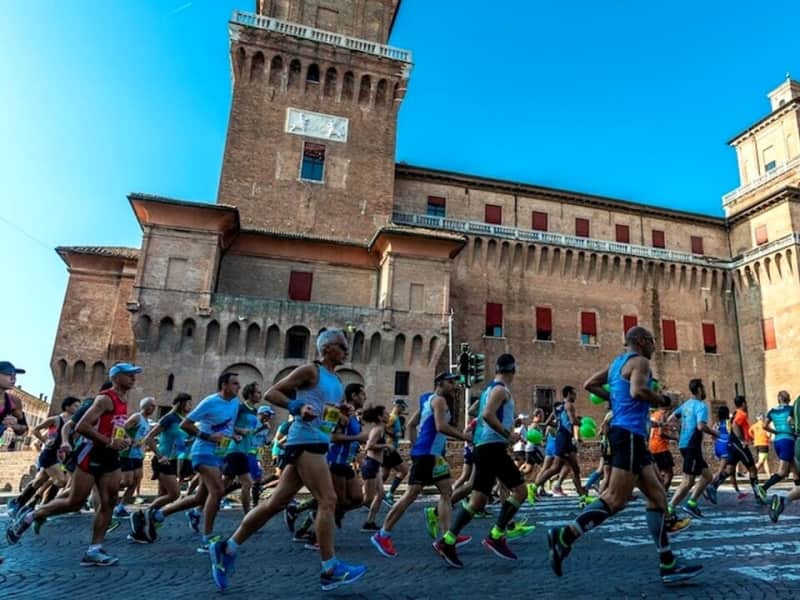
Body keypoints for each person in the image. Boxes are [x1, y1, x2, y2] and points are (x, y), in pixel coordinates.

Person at [209, 329, 366, 592]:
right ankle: (330, 569)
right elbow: (273, 393)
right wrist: (297, 407)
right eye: (342, 345)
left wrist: (342, 411)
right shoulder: (310, 371)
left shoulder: (337, 381)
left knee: (275, 503)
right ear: (327, 348)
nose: (346, 350)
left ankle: (227, 548)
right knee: (328, 499)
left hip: (318, 442)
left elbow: (327, 413)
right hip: (304, 440)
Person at [546, 326, 698, 585]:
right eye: (652, 341)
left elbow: (590, 384)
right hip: (628, 435)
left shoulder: (617, 364)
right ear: (641, 341)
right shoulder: (640, 362)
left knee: (658, 497)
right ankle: (565, 536)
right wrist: (661, 399)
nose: (654, 346)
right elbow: (637, 391)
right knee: (615, 499)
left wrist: (615, 399)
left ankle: (668, 564)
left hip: (630, 437)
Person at [7, 363, 142, 566]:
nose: (133, 378)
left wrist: (124, 440)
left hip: (111, 457)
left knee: (109, 502)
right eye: (129, 374)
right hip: (92, 454)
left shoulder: (123, 400)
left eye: (134, 375)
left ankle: (94, 550)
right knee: (75, 502)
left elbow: (113, 426)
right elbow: (81, 426)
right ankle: (31, 515)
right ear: (116, 377)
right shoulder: (105, 399)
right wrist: (107, 441)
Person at [437, 353, 535, 566]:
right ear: (513, 370)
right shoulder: (500, 390)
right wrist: (508, 434)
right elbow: (488, 415)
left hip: (484, 447)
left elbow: (483, 414)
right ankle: (496, 535)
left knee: (478, 500)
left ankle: (448, 540)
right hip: (492, 447)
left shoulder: (489, 390)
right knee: (520, 491)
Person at [131, 372, 241, 551]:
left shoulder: (235, 402)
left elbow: (227, 425)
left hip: (220, 453)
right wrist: (208, 436)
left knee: (200, 497)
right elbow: (186, 425)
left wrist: (234, 434)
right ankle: (207, 539)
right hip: (203, 452)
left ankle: (158, 515)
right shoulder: (210, 402)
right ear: (224, 385)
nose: (239, 387)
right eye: (235, 383)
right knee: (218, 491)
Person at [370, 372, 472, 563]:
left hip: (432, 455)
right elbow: (441, 427)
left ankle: (446, 538)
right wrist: (466, 437)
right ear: (440, 383)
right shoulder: (439, 400)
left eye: (455, 382)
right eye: (451, 382)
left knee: (447, 492)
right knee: (411, 494)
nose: (454, 385)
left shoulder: (427, 399)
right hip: (427, 454)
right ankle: (382, 535)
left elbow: (411, 424)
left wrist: (415, 446)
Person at [9, 397, 81, 515]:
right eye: (75, 406)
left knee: (39, 481)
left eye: (79, 406)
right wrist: (44, 440)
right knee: (61, 481)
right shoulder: (55, 419)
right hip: (49, 454)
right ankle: (46, 507)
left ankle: (19, 503)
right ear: (67, 407)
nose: (78, 408)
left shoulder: (74, 423)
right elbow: (35, 430)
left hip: (59, 456)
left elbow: (71, 439)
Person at [666, 379, 719, 518]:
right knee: (688, 480)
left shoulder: (685, 405)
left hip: (684, 444)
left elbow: (670, 418)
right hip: (692, 446)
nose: (705, 391)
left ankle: (692, 503)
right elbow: (701, 426)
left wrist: (678, 430)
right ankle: (669, 509)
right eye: (703, 388)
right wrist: (714, 433)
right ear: (700, 389)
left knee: (707, 476)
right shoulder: (701, 406)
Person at [529, 387, 588, 499]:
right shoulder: (569, 405)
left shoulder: (558, 407)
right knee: (555, 468)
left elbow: (548, 422)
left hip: (564, 438)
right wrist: (582, 423)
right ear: (569, 394)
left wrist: (555, 425)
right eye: (574, 394)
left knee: (575, 468)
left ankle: (581, 493)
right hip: (564, 438)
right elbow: (572, 421)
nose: (575, 396)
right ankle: (534, 486)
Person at [708, 396, 767, 504]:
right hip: (738, 445)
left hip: (732, 444)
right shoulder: (741, 414)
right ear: (743, 404)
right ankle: (758, 496)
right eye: (746, 403)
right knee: (753, 469)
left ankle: (713, 486)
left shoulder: (735, 413)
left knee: (730, 469)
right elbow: (735, 424)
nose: (747, 405)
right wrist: (741, 440)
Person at [222, 381, 262, 515]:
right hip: (235, 449)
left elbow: (250, 431)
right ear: (250, 394)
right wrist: (239, 431)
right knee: (245, 483)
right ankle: (248, 515)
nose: (260, 395)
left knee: (230, 483)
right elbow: (227, 424)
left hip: (245, 450)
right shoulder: (240, 408)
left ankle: (201, 505)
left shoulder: (254, 411)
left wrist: (260, 428)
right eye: (257, 392)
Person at [115, 397, 156, 517]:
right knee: (127, 481)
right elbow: (122, 428)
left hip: (138, 455)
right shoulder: (137, 417)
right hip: (127, 453)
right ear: (145, 406)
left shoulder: (148, 422)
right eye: (151, 405)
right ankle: (105, 490)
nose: (153, 408)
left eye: (154, 406)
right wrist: (131, 440)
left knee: (136, 480)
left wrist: (144, 446)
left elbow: (144, 438)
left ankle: (121, 506)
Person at [759, 391, 798, 497]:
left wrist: (775, 432)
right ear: (788, 398)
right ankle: (763, 488)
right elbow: (792, 422)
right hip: (788, 440)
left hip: (777, 441)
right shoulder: (791, 409)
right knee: (783, 472)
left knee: (795, 469)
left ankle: (798, 489)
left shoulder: (772, 411)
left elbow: (764, 426)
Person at [768, 393, 800, 522]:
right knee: (784, 471)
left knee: (796, 476)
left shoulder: (797, 402)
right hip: (791, 440)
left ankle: (783, 501)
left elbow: (790, 422)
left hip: (794, 442)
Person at [381, 399, 410, 506]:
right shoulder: (392, 417)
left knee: (384, 475)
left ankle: (375, 493)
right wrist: (394, 434)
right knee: (404, 470)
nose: (404, 409)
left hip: (390, 449)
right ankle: (389, 494)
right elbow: (382, 428)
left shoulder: (396, 418)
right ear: (398, 406)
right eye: (403, 407)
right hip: (389, 449)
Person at [0, 362, 30, 448]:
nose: (13, 378)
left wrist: (15, 426)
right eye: (8, 374)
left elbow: (24, 430)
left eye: (15, 375)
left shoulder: (14, 401)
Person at [649, 396, 676, 489]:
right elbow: (661, 433)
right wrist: (675, 438)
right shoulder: (662, 415)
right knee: (669, 473)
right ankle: (662, 492)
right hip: (660, 447)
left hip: (651, 446)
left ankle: (658, 491)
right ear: (668, 406)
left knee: (658, 473)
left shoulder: (653, 415)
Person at [751, 413, 772, 479]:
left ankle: (769, 476)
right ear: (763, 418)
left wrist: (754, 438)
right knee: (761, 461)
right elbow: (769, 435)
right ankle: (752, 472)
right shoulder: (765, 425)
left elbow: (749, 432)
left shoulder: (754, 426)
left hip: (757, 444)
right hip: (764, 444)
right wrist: (769, 436)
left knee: (765, 461)